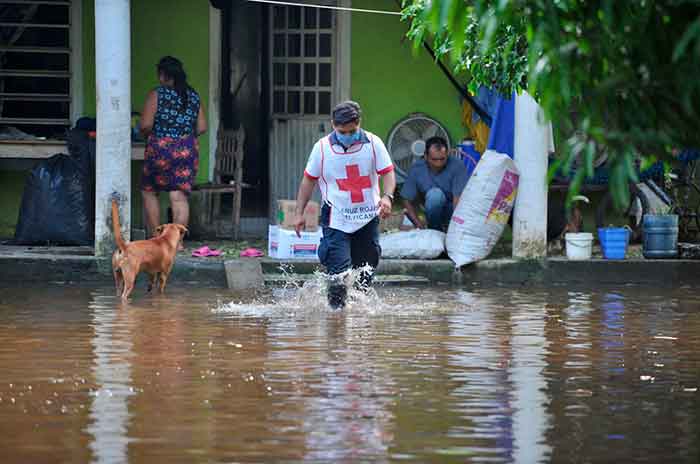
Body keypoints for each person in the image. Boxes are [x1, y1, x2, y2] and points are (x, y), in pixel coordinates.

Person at [294, 101, 396, 309]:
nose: (347, 135)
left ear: (359, 123)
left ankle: (358, 324)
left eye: (352, 131)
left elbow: (387, 172)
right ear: (333, 125)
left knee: (365, 272)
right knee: (338, 275)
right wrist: (299, 213)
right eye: (342, 131)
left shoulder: (373, 143)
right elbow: (308, 180)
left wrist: (387, 197)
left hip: (367, 217)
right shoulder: (322, 149)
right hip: (336, 218)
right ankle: (336, 321)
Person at [139, 56, 207, 245]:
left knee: (149, 191)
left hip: (160, 149)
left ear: (162, 75)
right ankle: (176, 244)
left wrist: (150, 134)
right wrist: (182, 135)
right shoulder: (193, 95)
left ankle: (156, 240)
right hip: (187, 148)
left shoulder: (157, 94)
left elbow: (145, 124)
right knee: (178, 197)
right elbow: (202, 127)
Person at [400, 136, 469, 231]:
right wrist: (418, 224)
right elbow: (406, 199)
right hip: (428, 211)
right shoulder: (417, 168)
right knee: (435, 195)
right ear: (425, 156)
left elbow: (458, 200)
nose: (438, 164)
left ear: (447, 154)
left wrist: (456, 227)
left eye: (442, 159)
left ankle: (446, 226)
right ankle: (434, 229)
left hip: (452, 210)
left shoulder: (457, 166)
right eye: (434, 159)